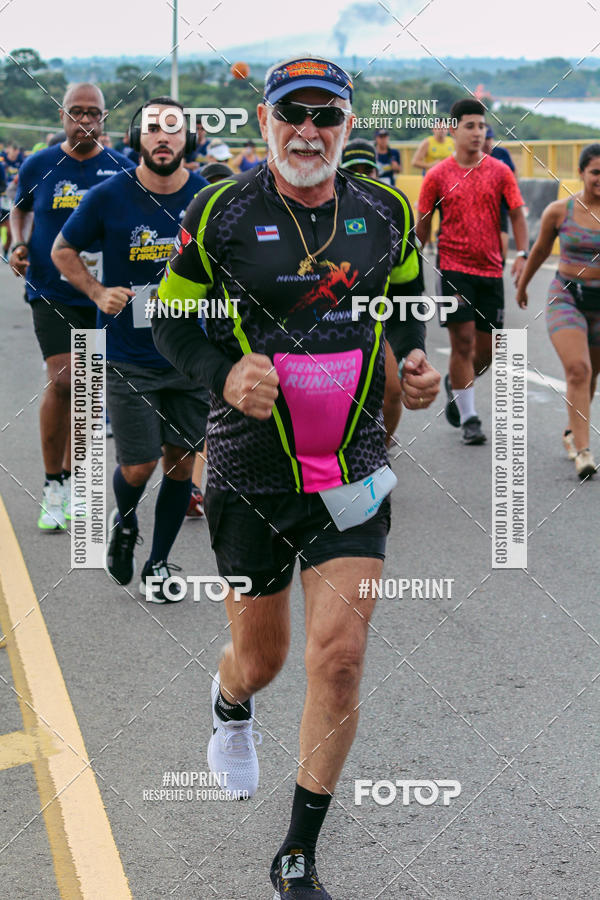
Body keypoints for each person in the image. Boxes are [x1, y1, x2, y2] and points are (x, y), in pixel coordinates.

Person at [152, 54, 439, 898]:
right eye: (291, 115)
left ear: (347, 125)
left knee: (341, 658)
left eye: (324, 117)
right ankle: (231, 701)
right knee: (263, 657)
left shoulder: (384, 209)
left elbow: (406, 293)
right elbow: (170, 317)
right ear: (266, 119)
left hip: (351, 465)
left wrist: (415, 357)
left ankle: (298, 851)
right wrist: (221, 375)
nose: (307, 132)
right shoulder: (222, 211)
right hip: (247, 470)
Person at [52, 98, 210, 596]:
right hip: (125, 356)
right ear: (136, 138)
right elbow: (62, 249)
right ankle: (125, 523)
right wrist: (97, 292)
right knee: (138, 465)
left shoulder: (209, 198)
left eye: (173, 129)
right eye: (152, 129)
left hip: (189, 356)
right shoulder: (108, 195)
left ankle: (159, 564)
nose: (163, 138)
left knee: (182, 462)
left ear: (189, 139)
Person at [9, 83, 134, 532]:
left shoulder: (122, 167)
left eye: (94, 112)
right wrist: (18, 243)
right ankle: (52, 486)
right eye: (76, 112)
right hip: (51, 289)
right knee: (64, 381)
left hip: (106, 293)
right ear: (62, 116)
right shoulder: (39, 164)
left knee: (89, 390)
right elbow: (19, 209)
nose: (85, 120)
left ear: (105, 118)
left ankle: (80, 485)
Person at [416, 98, 528, 445]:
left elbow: (518, 214)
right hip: (454, 270)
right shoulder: (436, 176)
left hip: (491, 270)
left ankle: (456, 384)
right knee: (461, 343)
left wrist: (522, 253)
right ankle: (470, 419)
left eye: (481, 126)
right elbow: (422, 226)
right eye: (470, 126)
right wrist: (408, 265)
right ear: (453, 130)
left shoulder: (500, 171)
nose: (478, 133)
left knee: (486, 352)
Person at [516, 143, 600, 480]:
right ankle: (583, 451)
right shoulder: (559, 211)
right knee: (578, 369)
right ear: (581, 173)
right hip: (566, 296)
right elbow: (538, 251)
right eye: (595, 172)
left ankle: (571, 432)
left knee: (591, 373)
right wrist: (522, 286)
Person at [483, 125, 517, 263]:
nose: (487, 142)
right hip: (483, 200)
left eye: (489, 138)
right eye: (485, 138)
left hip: (501, 199)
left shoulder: (501, 153)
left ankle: (501, 262)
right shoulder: (474, 156)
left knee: (503, 229)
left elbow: (513, 172)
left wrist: (512, 191)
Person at [0, 142, 25, 257]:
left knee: (10, 232)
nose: (14, 154)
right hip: (2, 197)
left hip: (11, 200)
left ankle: (5, 251)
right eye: (11, 151)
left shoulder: (22, 163)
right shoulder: (2, 163)